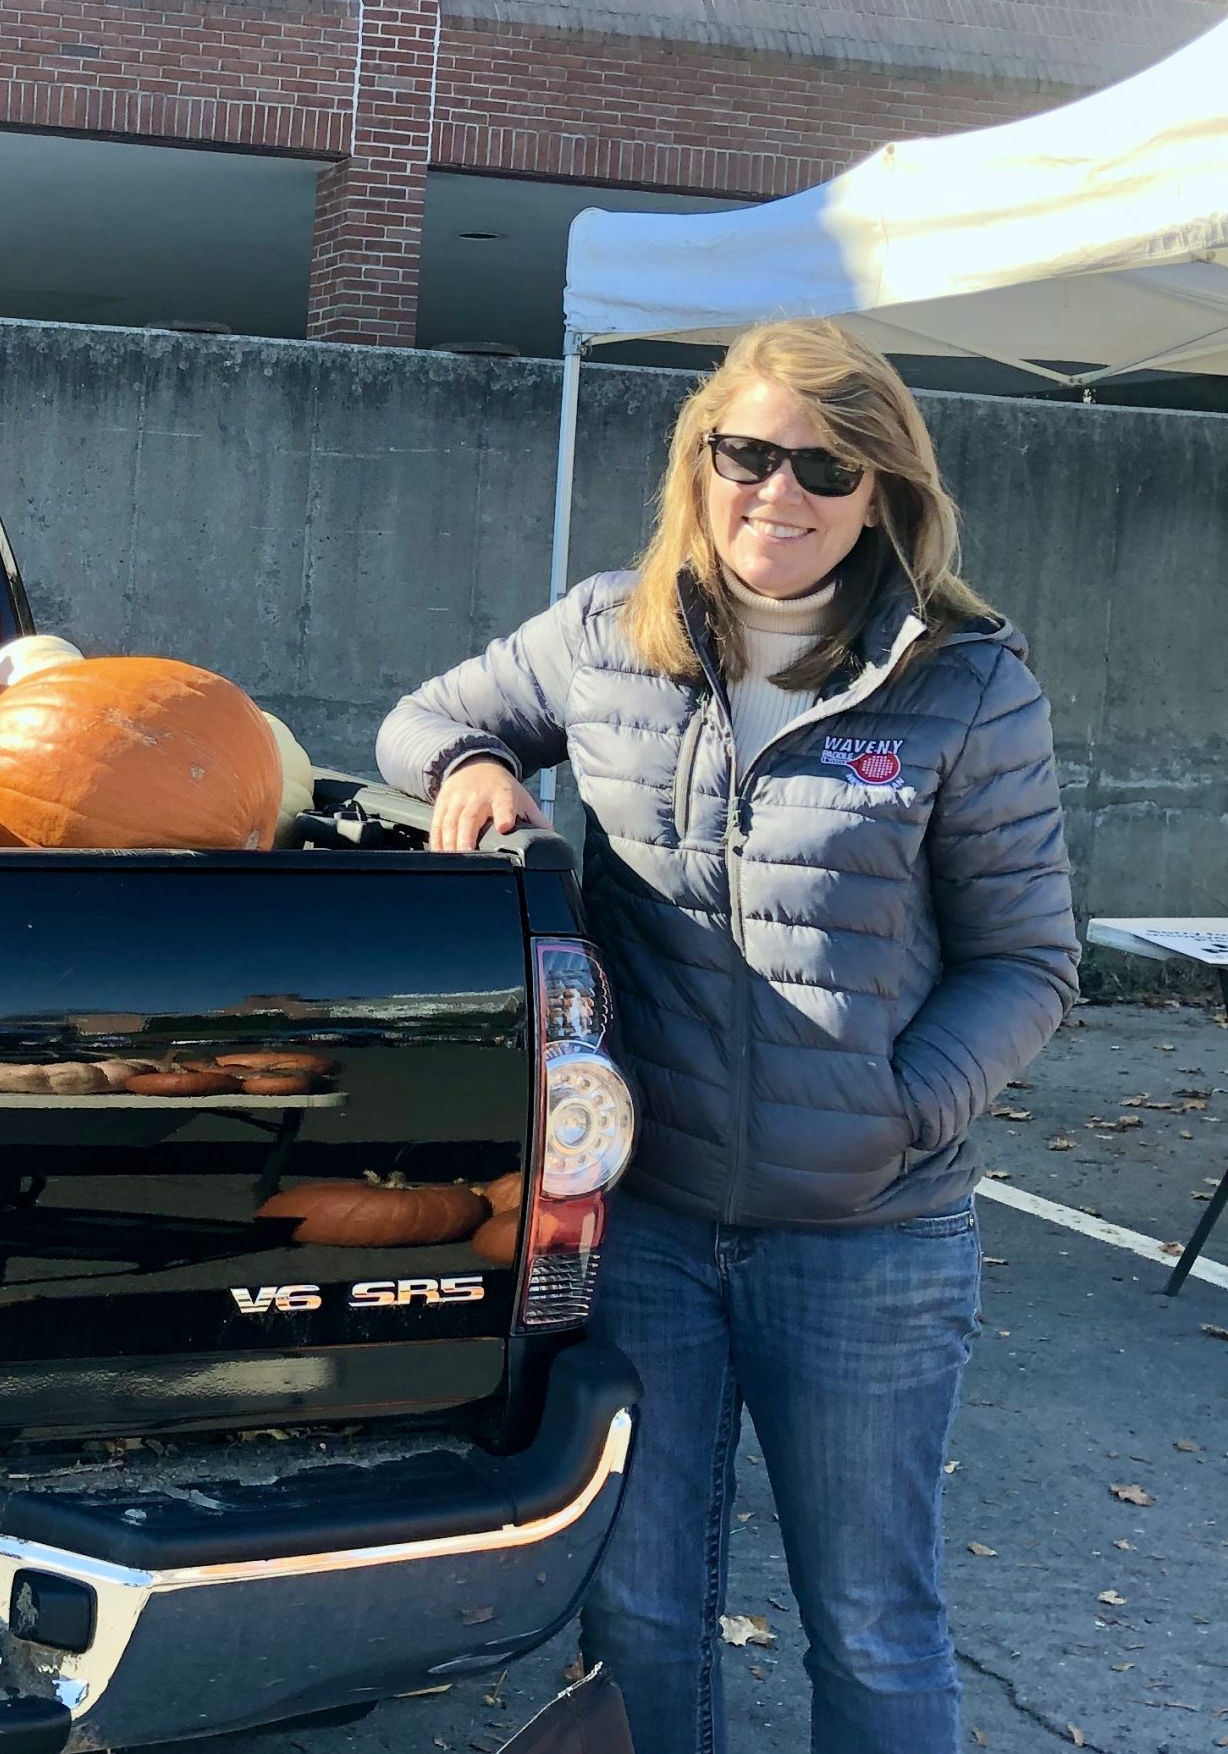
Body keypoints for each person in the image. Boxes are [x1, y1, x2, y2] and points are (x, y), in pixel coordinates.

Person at [376, 319, 1078, 1754]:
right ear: (699, 461)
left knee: (873, 1628)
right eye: (749, 452)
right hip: (652, 1235)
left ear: (882, 494)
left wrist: (903, 1110)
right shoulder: (600, 637)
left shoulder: (966, 684)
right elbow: (421, 718)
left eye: (829, 465)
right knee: (637, 1611)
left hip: (873, 1244)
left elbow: (1028, 961)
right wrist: (473, 765)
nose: (782, 490)